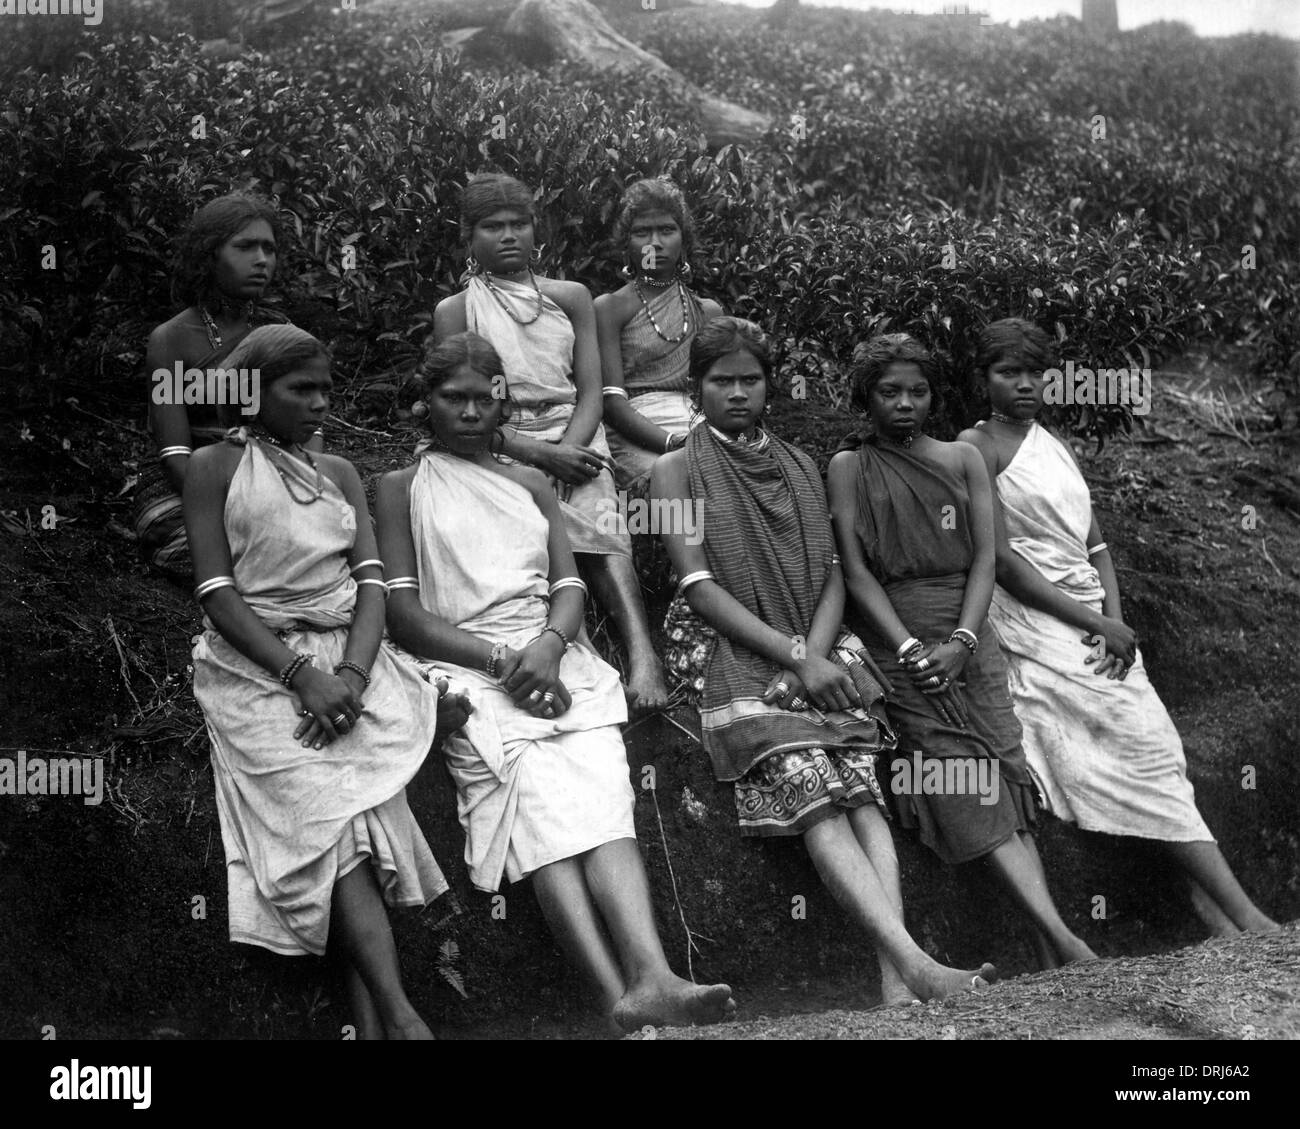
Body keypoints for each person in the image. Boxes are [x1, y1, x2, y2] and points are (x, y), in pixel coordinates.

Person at [376, 330, 735, 1034]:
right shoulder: (401, 489)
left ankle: (654, 972)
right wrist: (502, 663)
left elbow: (569, 583)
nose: (473, 411)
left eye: (486, 397)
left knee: (601, 794)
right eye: (455, 398)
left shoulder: (532, 481)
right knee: (537, 801)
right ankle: (613, 993)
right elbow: (404, 611)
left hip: (554, 655)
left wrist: (546, 646)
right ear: (427, 404)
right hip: (467, 665)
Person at [649, 317, 998, 1002]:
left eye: (751, 379)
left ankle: (893, 981)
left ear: (769, 386)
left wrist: (811, 653)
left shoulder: (801, 464)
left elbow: (836, 571)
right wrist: (795, 659)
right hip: (729, 644)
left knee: (862, 790)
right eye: (722, 381)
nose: (739, 393)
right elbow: (698, 585)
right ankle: (918, 965)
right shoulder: (673, 471)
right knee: (809, 783)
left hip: (812, 637)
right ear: (696, 390)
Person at [957, 317, 1278, 935]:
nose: (1024, 385)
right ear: (982, 379)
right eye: (1008, 373)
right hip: (1034, 617)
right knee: (1130, 741)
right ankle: (1245, 915)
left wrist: (1115, 622)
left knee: (1156, 745)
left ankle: (1214, 904)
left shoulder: (1053, 443)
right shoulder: (977, 447)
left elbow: (1096, 547)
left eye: (1035, 373)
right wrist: (1089, 621)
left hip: (1093, 617)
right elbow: (1003, 562)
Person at [184, 324, 448, 1040]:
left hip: (351, 658)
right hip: (256, 665)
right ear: (251, 390)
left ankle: (379, 1023)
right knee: (326, 810)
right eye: (301, 389)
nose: (320, 403)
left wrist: (351, 675)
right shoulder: (213, 467)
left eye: (326, 388)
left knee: (352, 812)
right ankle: (400, 1013)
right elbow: (216, 590)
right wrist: (301, 676)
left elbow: (370, 585)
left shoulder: (338, 474)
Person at [827, 332, 1096, 968]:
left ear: (933, 396)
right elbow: (857, 572)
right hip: (900, 643)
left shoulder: (961, 459)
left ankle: (1048, 940)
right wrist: (911, 647)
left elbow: (985, 555)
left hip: (971, 637)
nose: (904, 404)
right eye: (889, 392)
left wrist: (965, 641)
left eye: (917, 391)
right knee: (960, 779)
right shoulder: (848, 467)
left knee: (1003, 773)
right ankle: (1066, 941)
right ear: (865, 397)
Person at [432, 173, 669, 711]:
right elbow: (455, 406)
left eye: (520, 223)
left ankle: (643, 656)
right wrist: (533, 453)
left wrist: (569, 451)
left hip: (576, 433)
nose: (509, 235)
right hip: (496, 441)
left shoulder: (570, 297)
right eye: (493, 226)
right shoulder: (455, 312)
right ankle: (562, 648)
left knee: (601, 513)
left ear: (537, 230)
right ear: (468, 237)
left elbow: (590, 391)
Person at [135, 192, 321, 579]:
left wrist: (291, 488)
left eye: (269, 249)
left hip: (274, 477)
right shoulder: (171, 339)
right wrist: (238, 504)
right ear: (210, 254)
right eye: (245, 247)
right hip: (194, 487)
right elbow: (174, 453)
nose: (261, 260)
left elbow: (309, 434)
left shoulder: (282, 335)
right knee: (180, 533)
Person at [594, 178, 722, 496]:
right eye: (642, 233)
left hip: (700, 424)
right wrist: (671, 442)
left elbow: (720, 388)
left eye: (666, 230)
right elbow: (611, 402)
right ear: (626, 244)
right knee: (675, 482)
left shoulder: (708, 312)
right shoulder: (610, 308)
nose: (655, 243)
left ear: (684, 240)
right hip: (637, 431)